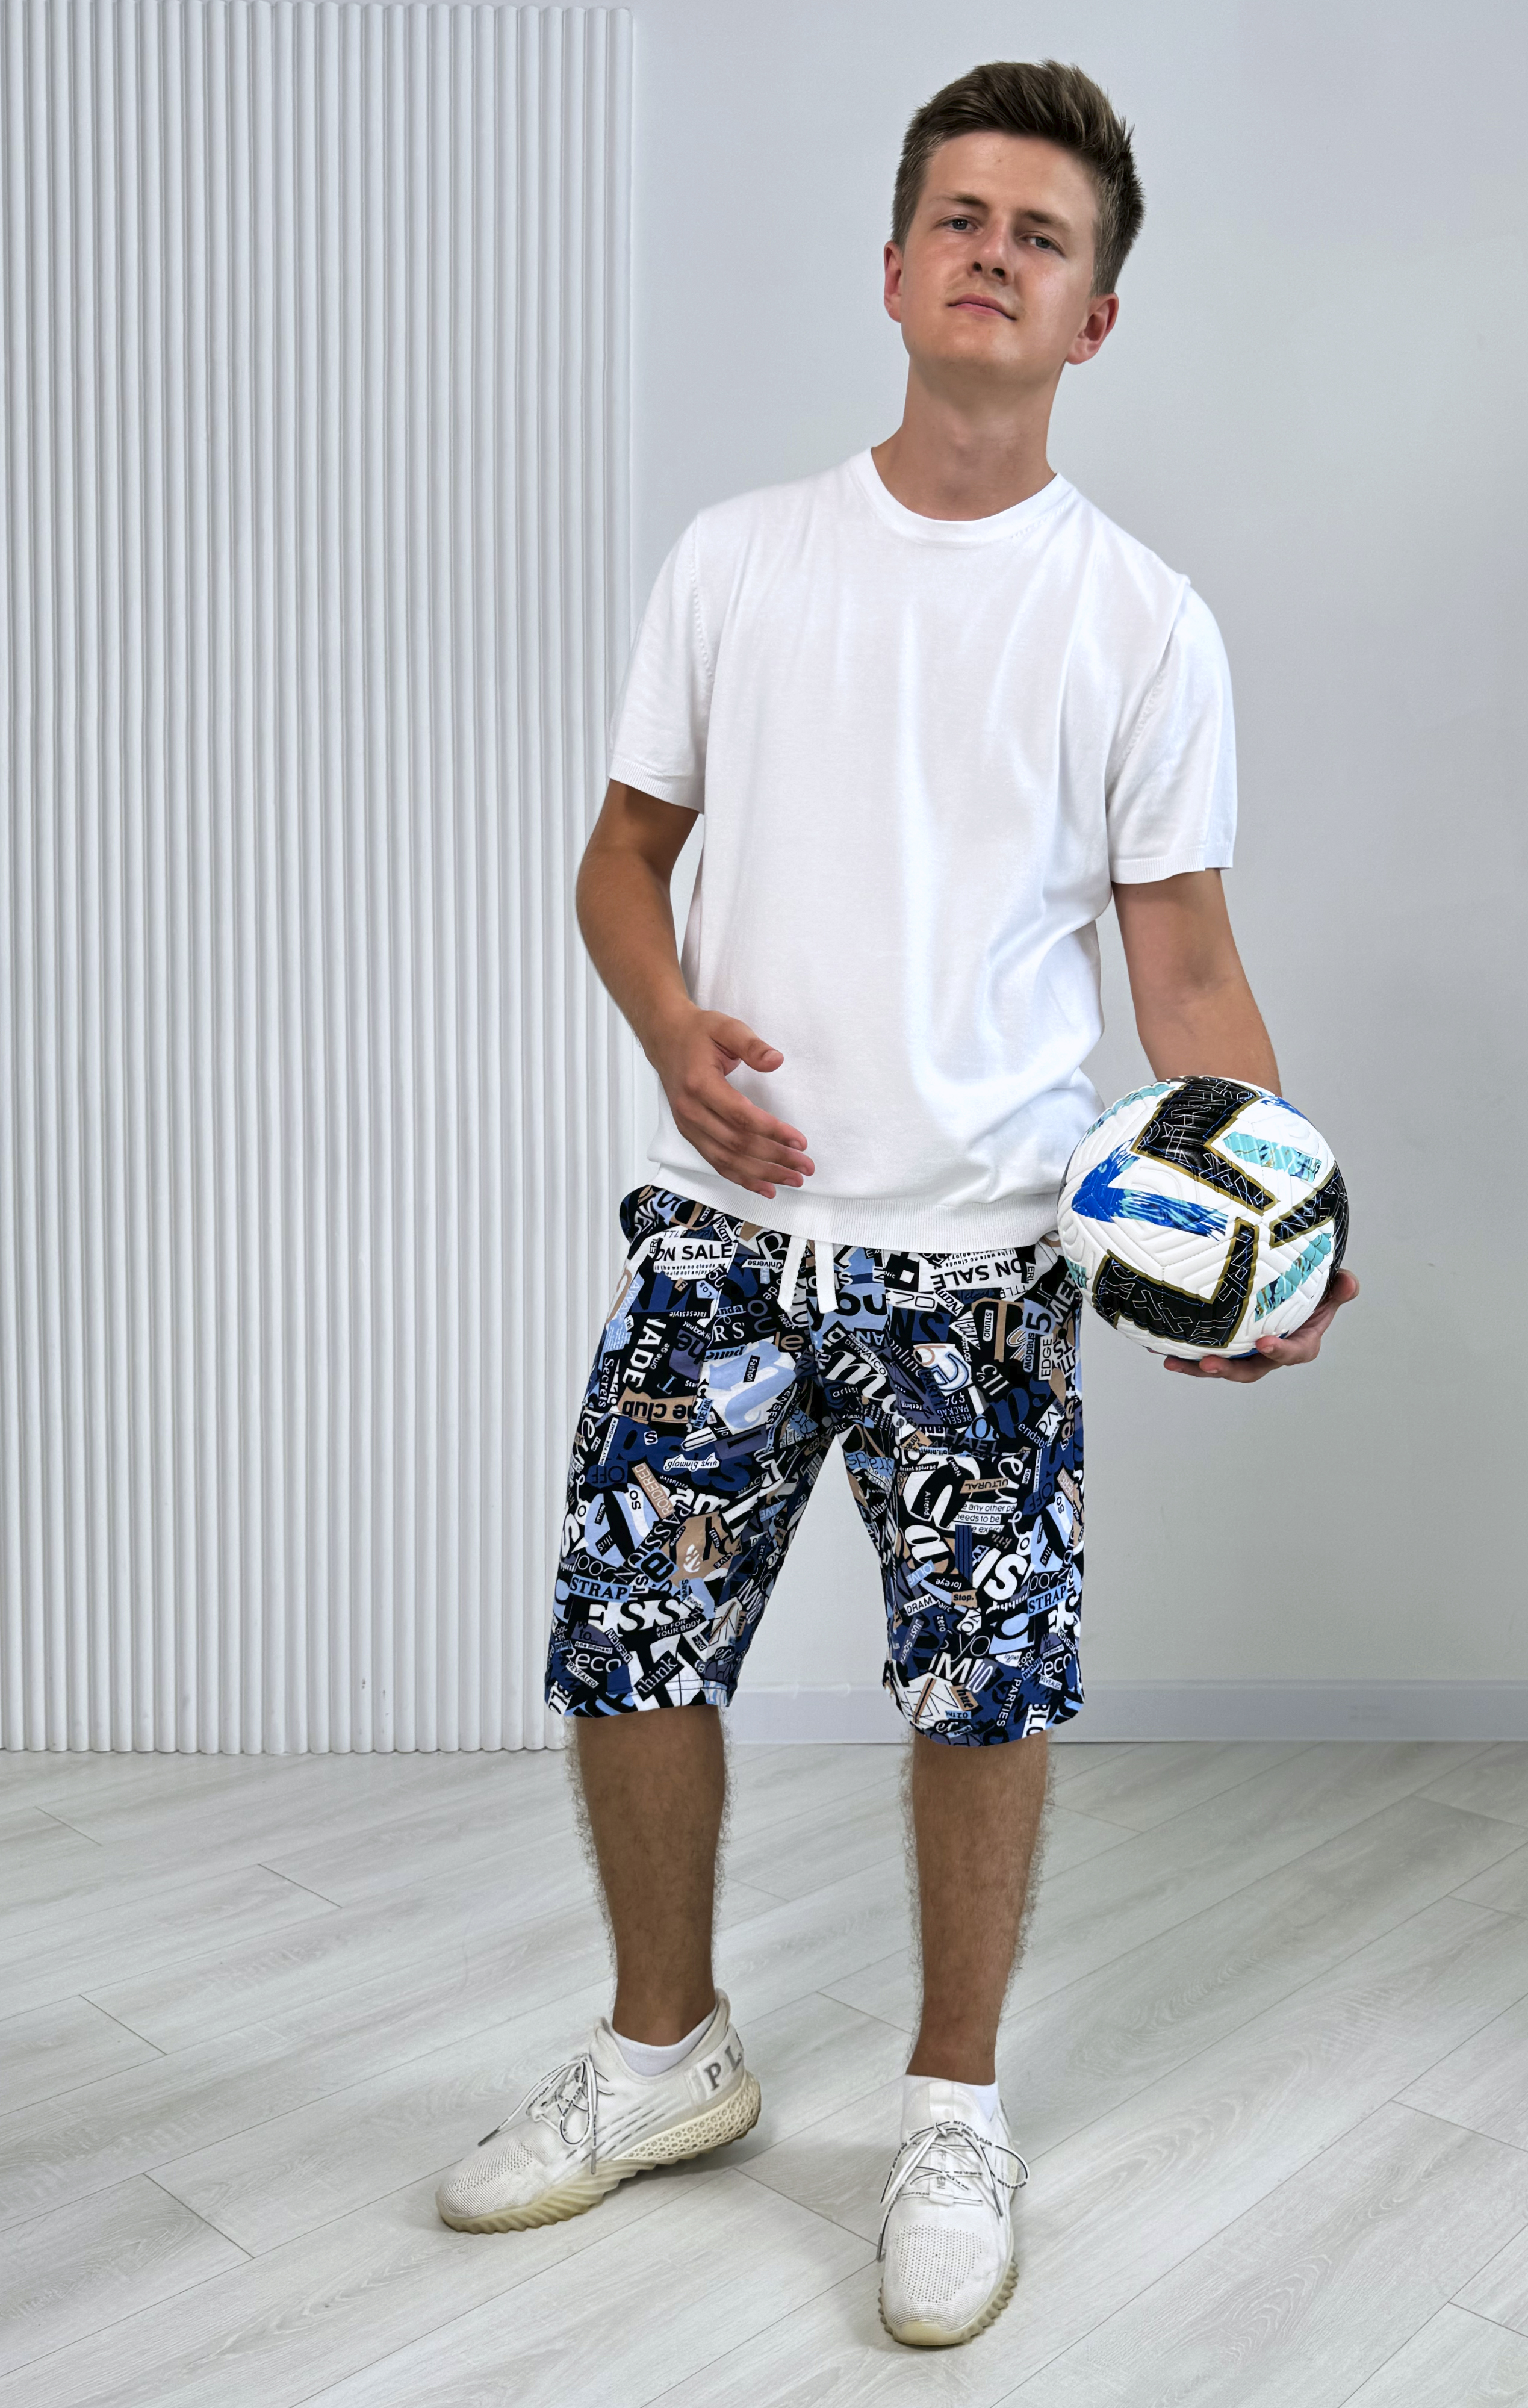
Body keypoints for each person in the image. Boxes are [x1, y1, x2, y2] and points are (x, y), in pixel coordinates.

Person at [435, 56, 1357, 2349]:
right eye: (961, 216)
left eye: (1041, 237)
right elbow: (622, 857)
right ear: (890, 269)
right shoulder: (739, 560)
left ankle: (953, 2111)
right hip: (722, 1232)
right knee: (631, 1643)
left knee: (981, 1684)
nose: (992, 255)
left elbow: (1185, 964)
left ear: (1093, 320)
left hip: (991, 1255)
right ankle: (667, 2054)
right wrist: (672, 1029)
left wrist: (1275, 1233)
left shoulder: (1138, 621)